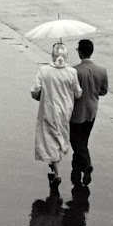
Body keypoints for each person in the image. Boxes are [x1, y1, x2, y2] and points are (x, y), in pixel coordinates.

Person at [31, 43, 82, 188]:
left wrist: (39, 96)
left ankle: (57, 173)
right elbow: (77, 92)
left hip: (48, 109)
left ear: (52, 56)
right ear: (66, 56)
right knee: (60, 136)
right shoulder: (71, 72)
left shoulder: (44, 71)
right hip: (66, 110)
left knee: (50, 138)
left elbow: (35, 90)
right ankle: (55, 165)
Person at [70, 39, 108, 186]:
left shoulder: (74, 71)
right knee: (83, 140)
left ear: (80, 52)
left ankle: (86, 165)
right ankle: (76, 168)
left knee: (75, 140)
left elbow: (70, 92)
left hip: (76, 111)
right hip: (92, 110)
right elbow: (103, 91)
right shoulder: (101, 71)